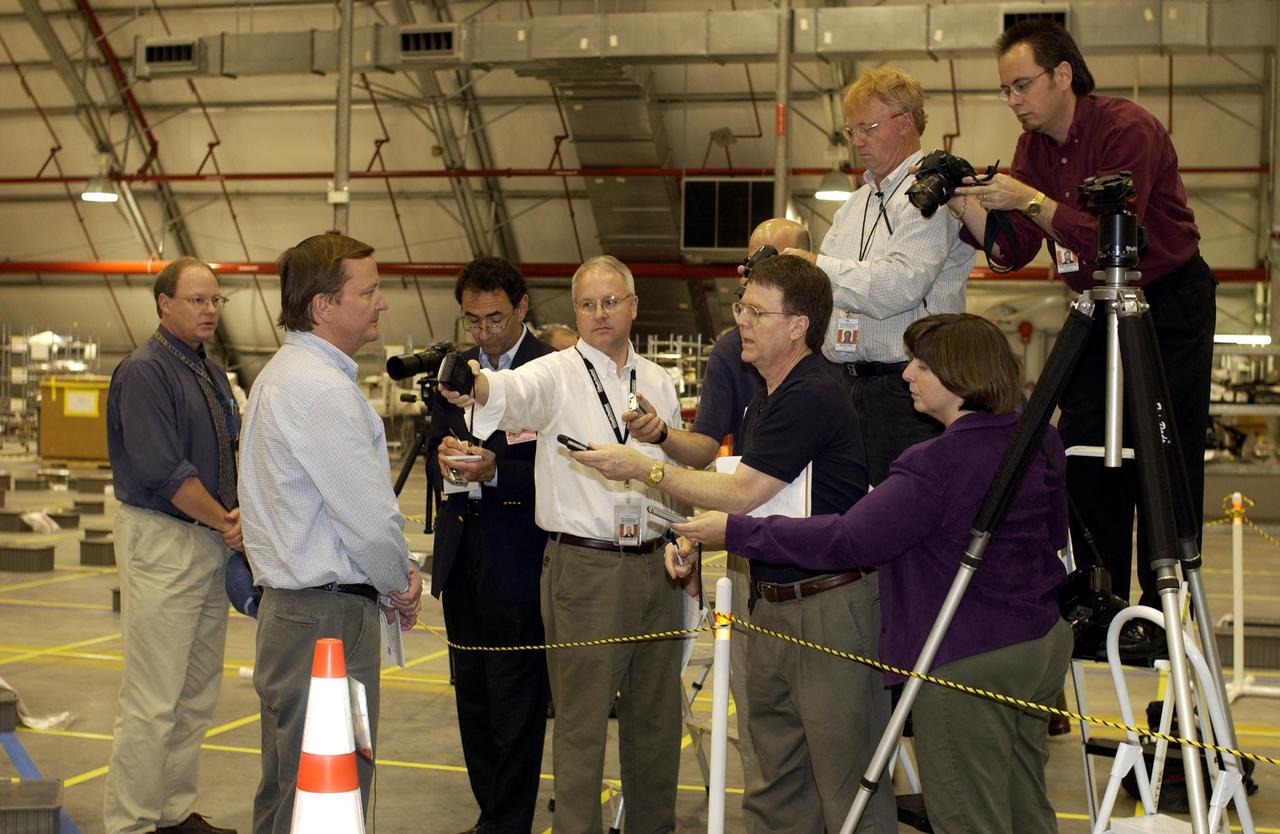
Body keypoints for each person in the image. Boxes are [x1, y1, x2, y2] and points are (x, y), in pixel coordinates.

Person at [672, 313, 1072, 834]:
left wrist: (739, 532)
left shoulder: (935, 464)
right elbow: (1055, 536)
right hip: (1039, 645)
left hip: (966, 657)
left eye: (922, 365)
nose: (907, 375)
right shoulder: (1038, 440)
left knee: (968, 814)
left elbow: (848, 539)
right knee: (1025, 805)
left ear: (959, 376)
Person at [572, 256, 895, 833]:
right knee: (773, 781)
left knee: (845, 783)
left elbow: (743, 494)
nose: (741, 321)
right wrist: (701, 539)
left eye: (756, 311)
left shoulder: (811, 393)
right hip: (769, 601)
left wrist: (643, 469)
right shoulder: (767, 398)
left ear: (799, 325)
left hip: (823, 606)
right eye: (741, 308)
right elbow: (757, 493)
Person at [951, 19, 1216, 607]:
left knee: (1163, 449)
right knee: (1083, 447)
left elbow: (1117, 240)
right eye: (1006, 91)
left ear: (1063, 74)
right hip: (1096, 303)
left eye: (1022, 85)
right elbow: (1014, 250)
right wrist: (962, 204)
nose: (1014, 101)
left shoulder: (1128, 130)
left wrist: (1030, 199)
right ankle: (1099, 597)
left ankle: (1162, 607)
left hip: (1164, 302)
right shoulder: (1031, 150)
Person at [439, 255, 685, 834]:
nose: (599, 314)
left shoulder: (657, 380)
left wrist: (680, 535)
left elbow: (671, 466)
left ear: (632, 307)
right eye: (586, 304)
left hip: (657, 565)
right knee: (581, 728)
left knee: (656, 723)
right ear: (574, 312)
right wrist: (474, 383)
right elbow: (508, 390)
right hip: (586, 568)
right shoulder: (555, 372)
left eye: (610, 302)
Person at [622, 216, 811, 805]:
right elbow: (707, 448)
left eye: (778, 256)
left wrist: (647, 469)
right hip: (754, 541)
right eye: (754, 260)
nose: (761, 266)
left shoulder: (834, 356)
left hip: (823, 551)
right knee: (763, 714)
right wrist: (661, 438)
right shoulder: (733, 350)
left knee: (829, 729)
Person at [239, 233, 423, 834]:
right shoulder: (318, 391)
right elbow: (367, 521)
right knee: (325, 788)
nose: (381, 303)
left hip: (301, 614)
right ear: (323, 306)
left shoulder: (286, 377)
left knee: (296, 783)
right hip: (326, 620)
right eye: (367, 291)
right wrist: (401, 580)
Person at [783, 68, 976, 485]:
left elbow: (900, 285)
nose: (856, 142)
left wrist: (818, 266)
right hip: (849, 388)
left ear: (906, 122)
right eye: (850, 130)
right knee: (853, 521)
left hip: (911, 393)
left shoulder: (935, 195)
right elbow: (826, 292)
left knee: (906, 521)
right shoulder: (853, 207)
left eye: (867, 128)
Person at [104, 257, 241, 834]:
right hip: (166, 542)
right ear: (164, 304)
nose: (209, 311)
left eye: (215, 301)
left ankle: (171, 811)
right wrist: (229, 525)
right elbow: (166, 471)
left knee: (195, 691)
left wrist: (228, 525)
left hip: (206, 540)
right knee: (154, 697)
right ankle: (131, 822)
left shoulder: (205, 370)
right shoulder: (145, 372)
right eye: (197, 301)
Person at [427, 257, 553, 834]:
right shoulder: (455, 369)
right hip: (462, 557)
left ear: (522, 307)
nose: (483, 332)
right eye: (473, 320)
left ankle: (509, 824)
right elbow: (434, 449)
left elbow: (567, 469)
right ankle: (490, 817)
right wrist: (447, 465)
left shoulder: (550, 369)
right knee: (472, 700)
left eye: (495, 318)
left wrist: (495, 471)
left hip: (521, 558)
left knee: (518, 704)